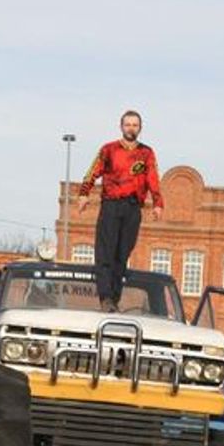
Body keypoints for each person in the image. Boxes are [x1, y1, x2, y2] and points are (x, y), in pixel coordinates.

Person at [77, 110, 164, 312]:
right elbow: (93, 171)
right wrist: (84, 193)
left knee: (122, 253)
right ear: (121, 126)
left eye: (135, 125)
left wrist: (158, 203)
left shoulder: (147, 153)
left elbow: (153, 179)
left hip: (133, 207)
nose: (131, 128)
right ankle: (105, 297)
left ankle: (114, 299)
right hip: (111, 205)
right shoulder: (109, 149)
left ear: (140, 128)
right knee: (105, 252)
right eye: (128, 124)